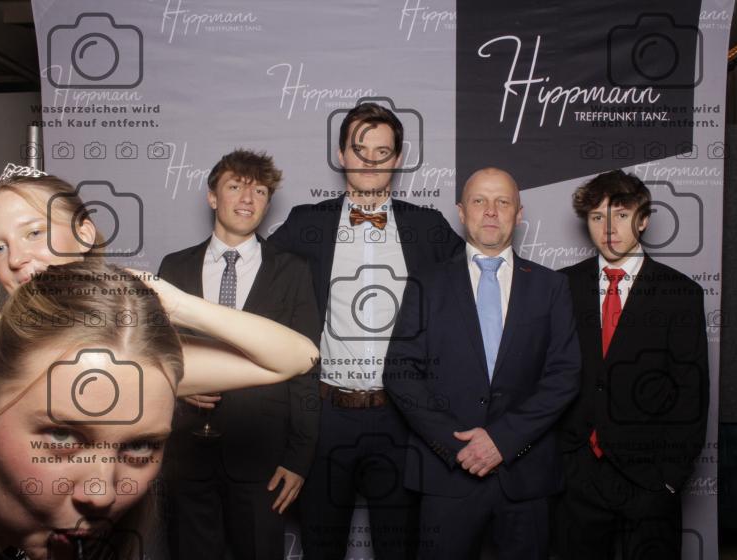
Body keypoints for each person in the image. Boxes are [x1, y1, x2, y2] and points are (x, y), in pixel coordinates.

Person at [0, 259, 317, 560]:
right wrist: (35, 318)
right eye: (63, 437)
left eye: (140, 446)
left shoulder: (135, 370)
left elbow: (300, 356)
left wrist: (178, 304)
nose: (102, 494)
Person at [269, 102, 463, 559]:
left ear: (398, 158)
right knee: (321, 548)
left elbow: (477, 292)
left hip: (403, 419)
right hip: (325, 418)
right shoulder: (307, 223)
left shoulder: (428, 227)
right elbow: (255, 285)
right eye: (360, 150)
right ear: (341, 155)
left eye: (382, 151)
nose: (371, 161)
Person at [0, 172, 318, 391]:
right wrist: (54, 319)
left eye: (34, 232)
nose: (15, 259)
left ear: (83, 235)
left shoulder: (129, 351)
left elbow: (298, 357)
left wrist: (179, 304)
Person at [383, 167, 581, 559]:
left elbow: (564, 375)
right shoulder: (426, 283)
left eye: (502, 201)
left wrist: (502, 441)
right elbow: (401, 371)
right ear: (461, 211)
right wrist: (456, 445)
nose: (491, 210)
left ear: (518, 214)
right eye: (479, 201)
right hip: (446, 475)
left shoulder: (551, 286)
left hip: (525, 478)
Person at [158, 149, 321, 560]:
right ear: (213, 197)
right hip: (186, 455)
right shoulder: (174, 268)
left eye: (260, 191)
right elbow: (155, 354)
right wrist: (180, 385)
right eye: (235, 187)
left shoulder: (292, 271)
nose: (248, 199)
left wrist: (298, 459)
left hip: (262, 456)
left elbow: (306, 368)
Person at [553, 170, 709, 559]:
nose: (608, 228)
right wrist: (563, 464)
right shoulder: (560, 287)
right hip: (578, 477)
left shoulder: (680, 293)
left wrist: (670, 479)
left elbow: (691, 391)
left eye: (621, 215)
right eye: (597, 217)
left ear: (643, 220)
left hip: (649, 478)